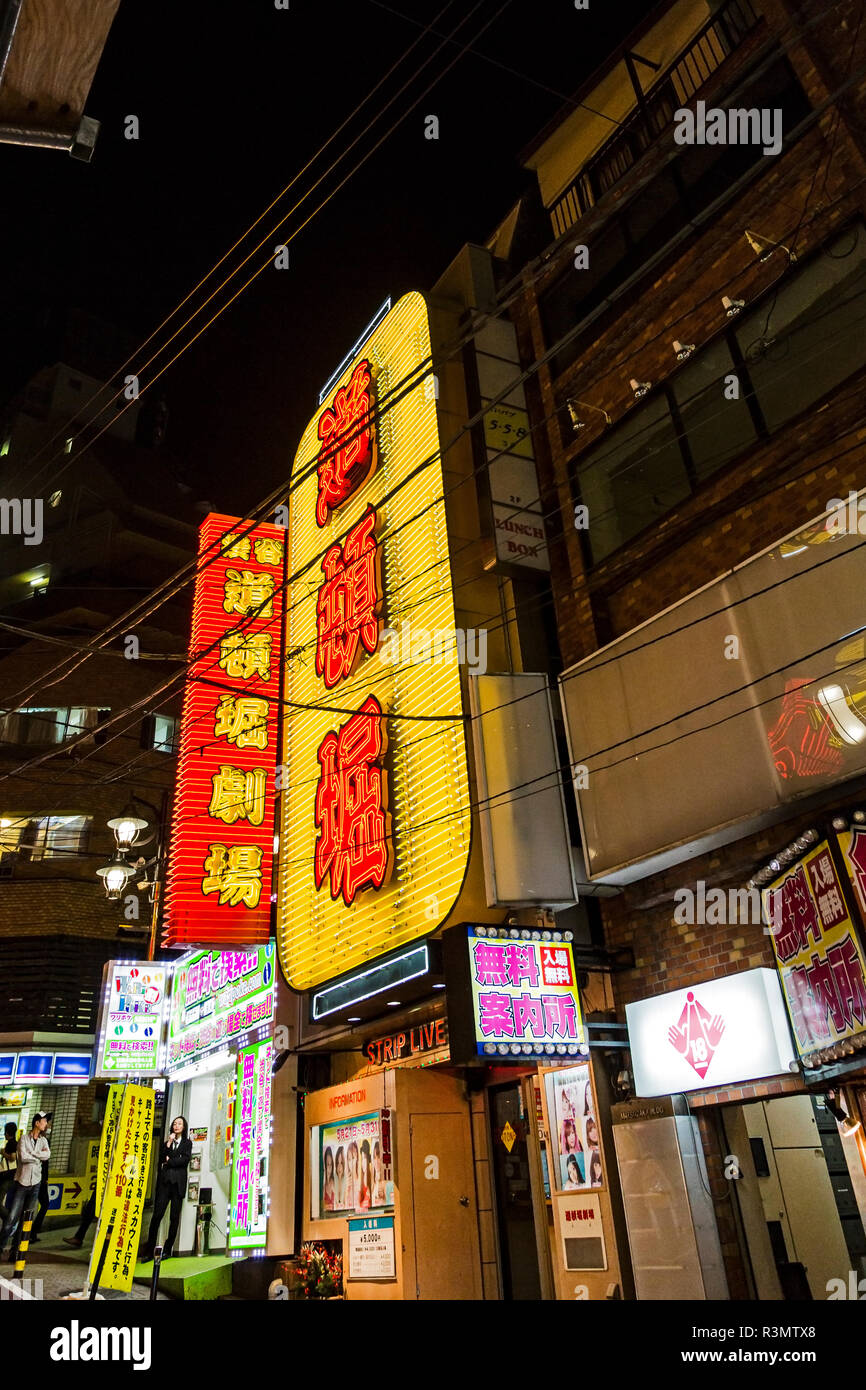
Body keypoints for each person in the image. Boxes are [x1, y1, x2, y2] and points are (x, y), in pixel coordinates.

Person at [138, 1116, 191, 1262]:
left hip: (178, 1185)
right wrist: (168, 1144)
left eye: (179, 1123)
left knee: (174, 1218)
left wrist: (170, 1161)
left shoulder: (187, 1143)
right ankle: (150, 1251)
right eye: (174, 1123)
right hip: (165, 1184)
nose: (176, 1126)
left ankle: (168, 1250)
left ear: (184, 1127)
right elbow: (161, 1158)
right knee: (157, 1216)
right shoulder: (166, 1143)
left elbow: (184, 1160)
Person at [2, 1112, 50, 1262]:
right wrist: (37, 1157)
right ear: (37, 1123)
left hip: (35, 1184)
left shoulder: (43, 1141)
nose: (46, 1124)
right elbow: (23, 1157)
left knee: (25, 1222)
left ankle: (15, 1252)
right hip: (21, 1184)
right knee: (11, 1220)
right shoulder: (23, 1139)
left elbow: (47, 1155)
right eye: (44, 1121)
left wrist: (34, 1154)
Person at [28, 1113, 53, 1243]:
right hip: (38, 1178)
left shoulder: (39, 1139)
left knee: (35, 1205)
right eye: (46, 1122)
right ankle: (31, 1233)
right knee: (42, 1204)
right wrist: (46, 1178)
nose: (48, 1125)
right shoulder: (42, 1141)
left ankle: (29, 1233)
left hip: (36, 1177)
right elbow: (45, 1161)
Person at [357, 1140, 372, 1211]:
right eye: (362, 1158)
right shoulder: (360, 1183)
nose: (364, 1162)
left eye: (365, 1158)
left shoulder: (372, 1180)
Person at [322, 1146, 335, 1211]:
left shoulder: (335, 1183)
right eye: (327, 1164)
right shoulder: (323, 1187)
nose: (329, 1167)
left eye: (331, 1164)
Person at [334, 1146, 346, 1210]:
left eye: (341, 1163)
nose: (339, 1167)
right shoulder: (333, 1178)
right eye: (337, 1163)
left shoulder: (346, 1179)